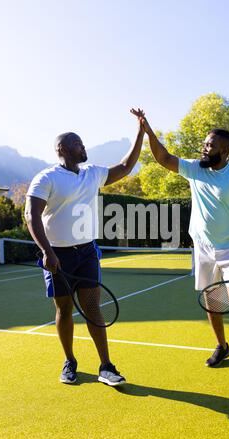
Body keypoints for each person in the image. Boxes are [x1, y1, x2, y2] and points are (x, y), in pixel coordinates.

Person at [131, 108, 229, 387]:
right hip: (202, 250)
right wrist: (148, 130)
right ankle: (222, 346)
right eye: (204, 144)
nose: (205, 148)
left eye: (211, 145)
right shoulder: (194, 168)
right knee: (212, 301)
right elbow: (164, 158)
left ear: (225, 151)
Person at [25, 110, 145, 386]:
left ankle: (106, 366)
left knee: (93, 308)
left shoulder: (92, 174)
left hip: (88, 252)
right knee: (64, 310)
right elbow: (32, 215)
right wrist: (47, 251)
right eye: (78, 143)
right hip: (58, 255)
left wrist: (140, 132)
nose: (83, 147)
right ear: (62, 149)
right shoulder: (47, 178)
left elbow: (126, 167)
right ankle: (70, 361)